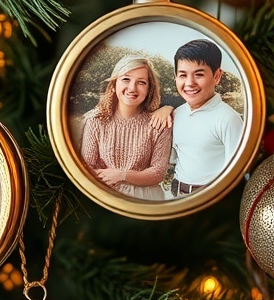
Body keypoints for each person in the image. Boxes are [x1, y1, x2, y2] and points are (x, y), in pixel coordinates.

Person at [80, 54, 172, 200]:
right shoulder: (95, 121)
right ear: (114, 84)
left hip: (147, 200)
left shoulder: (158, 123)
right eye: (126, 79)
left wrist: (122, 175)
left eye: (141, 82)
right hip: (107, 198)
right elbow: (87, 168)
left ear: (149, 89)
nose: (132, 88)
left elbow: (158, 173)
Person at [169, 38, 244, 195]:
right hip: (177, 196)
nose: (189, 83)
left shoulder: (228, 119)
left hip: (210, 199)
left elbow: (237, 174)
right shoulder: (177, 113)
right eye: (182, 75)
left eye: (199, 74)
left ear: (217, 76)